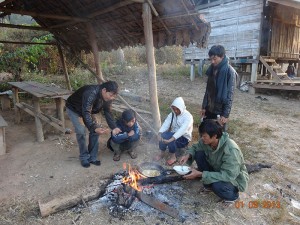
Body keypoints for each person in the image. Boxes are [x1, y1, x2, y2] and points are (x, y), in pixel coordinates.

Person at [179, 120, 249, 203]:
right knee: (199, 154)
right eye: (201, 135)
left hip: (233, 179)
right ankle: (208, 186)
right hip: (217, 170)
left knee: (217, 186)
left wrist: (201, 174)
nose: (202, 138)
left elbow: (228, 175)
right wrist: (188, 155)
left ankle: (233, 197)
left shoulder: (231, 150)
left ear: (215, 136)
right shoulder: (206, 141)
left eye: (204, 136)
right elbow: (195, 147)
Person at [66, 81, 120, 168]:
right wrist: (93, 127)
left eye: (114, 96)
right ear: (104, 90)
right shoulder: (91, 93)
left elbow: (107, 112)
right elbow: (86, 112)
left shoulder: (107, 98)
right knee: (81, 131)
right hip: (74, 109)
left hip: (89, 110)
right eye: (111, 95)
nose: (112, 98)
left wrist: (114, 127)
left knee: (96, 130)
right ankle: (84, 157)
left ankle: (92, 157)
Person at [201, 45, 236, 130]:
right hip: (209, 107)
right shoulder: (212, 70)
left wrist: (225, 114)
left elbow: (230, 95)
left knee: (218, 135)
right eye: (211, 59)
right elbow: (208, 91)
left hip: (220, 110)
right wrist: (204, 107)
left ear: (222, 57)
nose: (212, 62)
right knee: (206, 131)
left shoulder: (230, 72)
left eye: (215, 59)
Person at [156, 97, 193, 166]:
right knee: (163, 135)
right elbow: (166, 123)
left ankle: (173, 157)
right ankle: (162, 153)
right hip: (173, 134)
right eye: (173, 109)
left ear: (181, 108)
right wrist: (160, 133)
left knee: (170, 137)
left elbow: (182, 130)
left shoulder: (188, 117)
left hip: (184, 138)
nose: (175, 111)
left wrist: (171, 139)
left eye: (177, 109)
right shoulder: (172, 114)